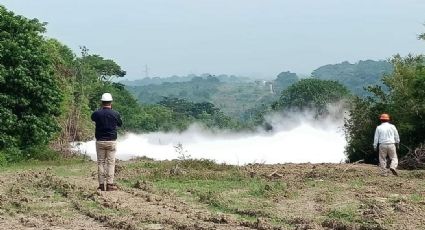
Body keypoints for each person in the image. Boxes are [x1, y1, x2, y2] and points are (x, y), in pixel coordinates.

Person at [91, 93, 122, 191]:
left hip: (100, 141)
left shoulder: (97, 113)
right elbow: (120, 124)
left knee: (100, 162)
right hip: (111, 141)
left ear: (102, 102)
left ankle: (101, 185)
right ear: (111, 102)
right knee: (110, 163)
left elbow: (93, 118)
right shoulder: (115, 113)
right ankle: (109, 184)